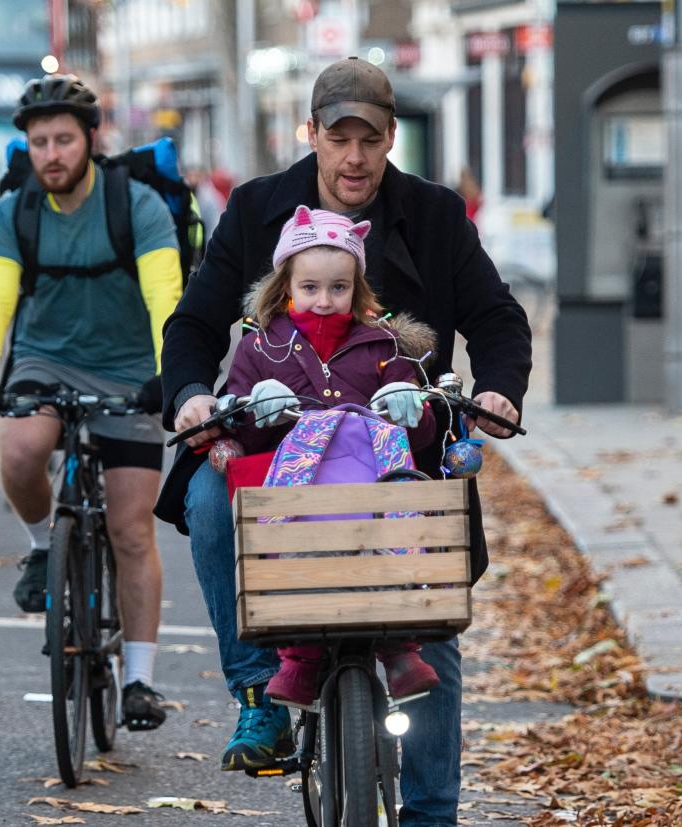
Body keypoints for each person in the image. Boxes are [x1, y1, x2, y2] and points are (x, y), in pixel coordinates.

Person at [155, 56, 532, 825]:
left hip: (398, 444)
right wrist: (194, 396)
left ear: (391, 137)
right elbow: (193, 324)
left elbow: (496, 319)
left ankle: (430, 812)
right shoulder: (258, 209)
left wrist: (495, 390)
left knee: (433, 610)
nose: (354, 157)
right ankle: (258, 689)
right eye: (338, 138)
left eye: (369, 138)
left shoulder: (432, 213)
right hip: (282, 445)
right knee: (206, 497)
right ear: (314, 136)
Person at [0, 74, 183, 730]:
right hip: (44, 359)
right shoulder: (15, 211)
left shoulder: (136, 205)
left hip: (131, 368)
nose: (50, 154)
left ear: (89, 140)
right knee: (21, 449)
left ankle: (138, 678)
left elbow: (164, 293)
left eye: (62, 139)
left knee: (130, 527)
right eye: (38, 142)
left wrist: (171, 373)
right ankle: (38, 545)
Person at [220, 205, 441, 707]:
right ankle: (300, 659)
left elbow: (420, 434)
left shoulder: (382, 344)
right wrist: (258, 409)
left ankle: (398, 646)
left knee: (397, 512)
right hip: (299, 496)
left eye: (339, 288)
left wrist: (411, 408)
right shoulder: (261, 348)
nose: (324, 300)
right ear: (286, 287)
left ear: (357, 290)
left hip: (369, 489)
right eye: (310, 288)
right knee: (293, 539)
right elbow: (241, 429)